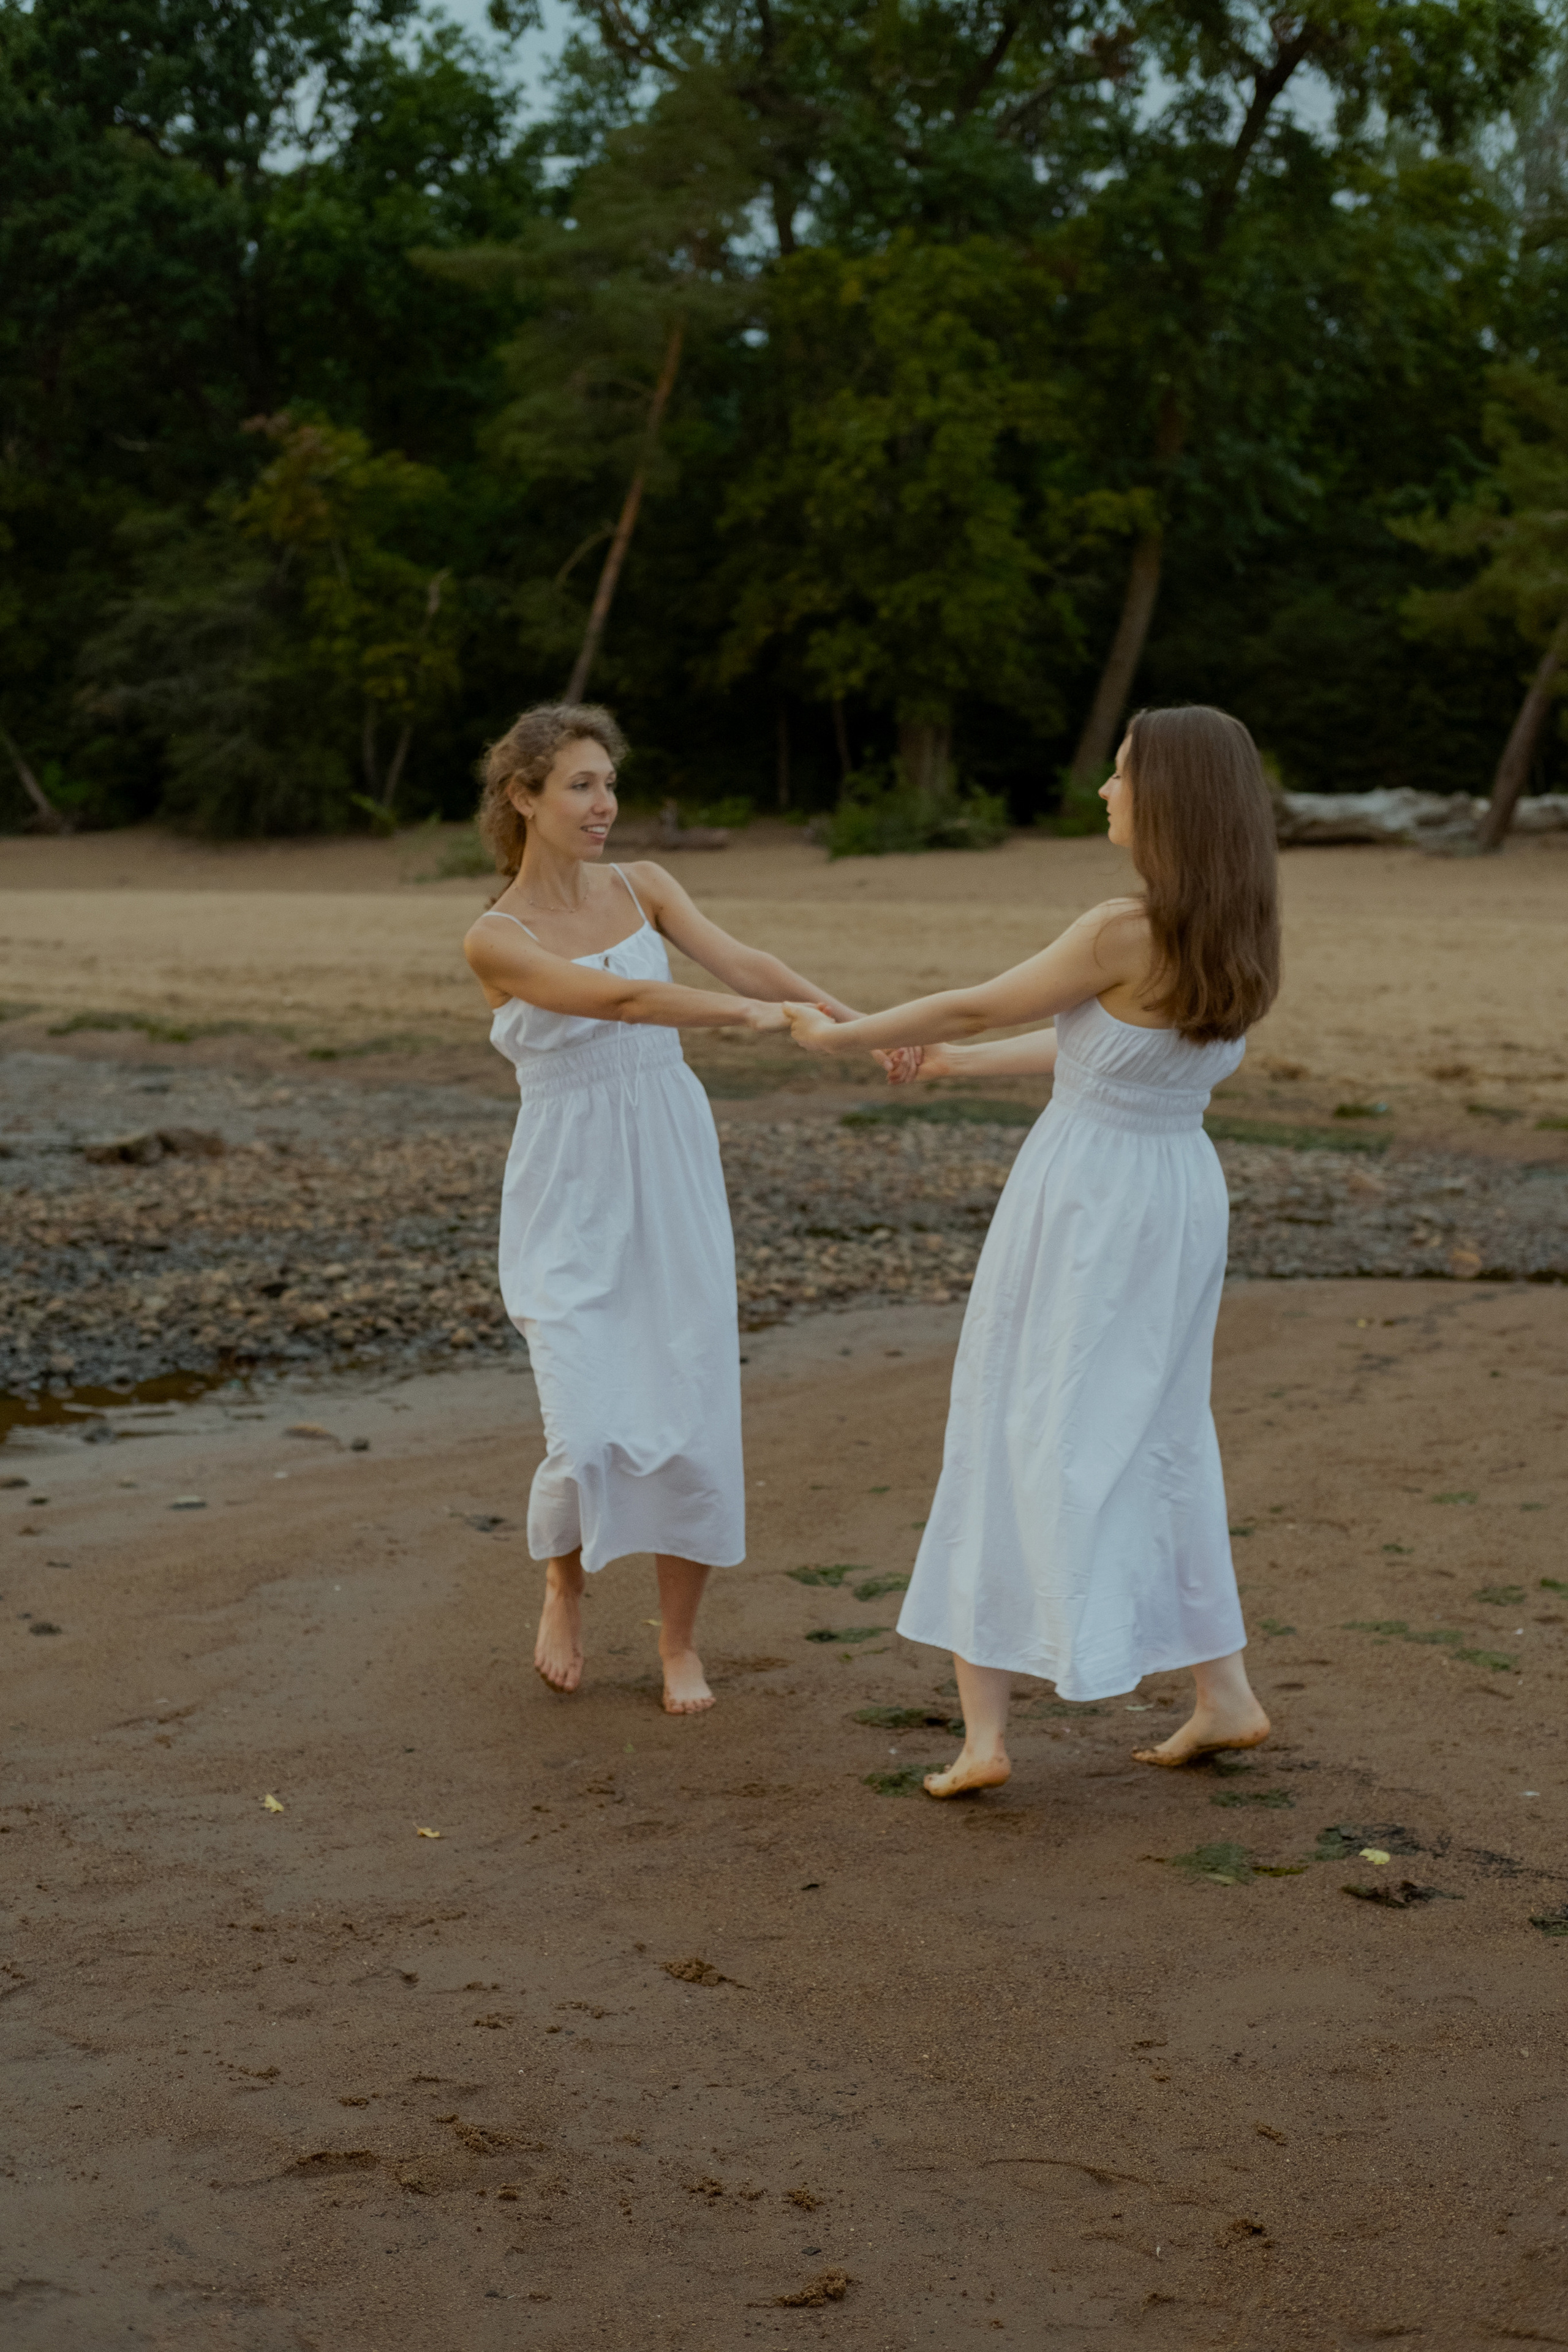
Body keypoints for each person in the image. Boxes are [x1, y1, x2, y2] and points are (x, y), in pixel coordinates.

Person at [783, 705, 1280, 1791]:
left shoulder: (1119, 925)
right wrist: (955, 1072)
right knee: (1157, 1430)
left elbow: (973, 1001)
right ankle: (1224, 1690)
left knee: (1019, 1417)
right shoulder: (1236, 929)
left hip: (1088, 1204)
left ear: (1171, 800)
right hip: (1175, 1194)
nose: (1106, 790)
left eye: (1120, 774)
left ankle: (986, 1738)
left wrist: (842, 1033)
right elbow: (1112, 1055)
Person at [464, 702, 858, 1715]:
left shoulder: (646, 885)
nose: (606, 805)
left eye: (609, 783)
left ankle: (679, 1644)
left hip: (671, 1164)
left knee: (688, 1410)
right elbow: (627, 1004)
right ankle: (565, 1583)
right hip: (570, 1179)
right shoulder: (495, 937)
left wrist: (851, 1020)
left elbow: (747, 962)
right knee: (584, 1425)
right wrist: (753, 1017)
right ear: (525, 798)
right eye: (582, 786)